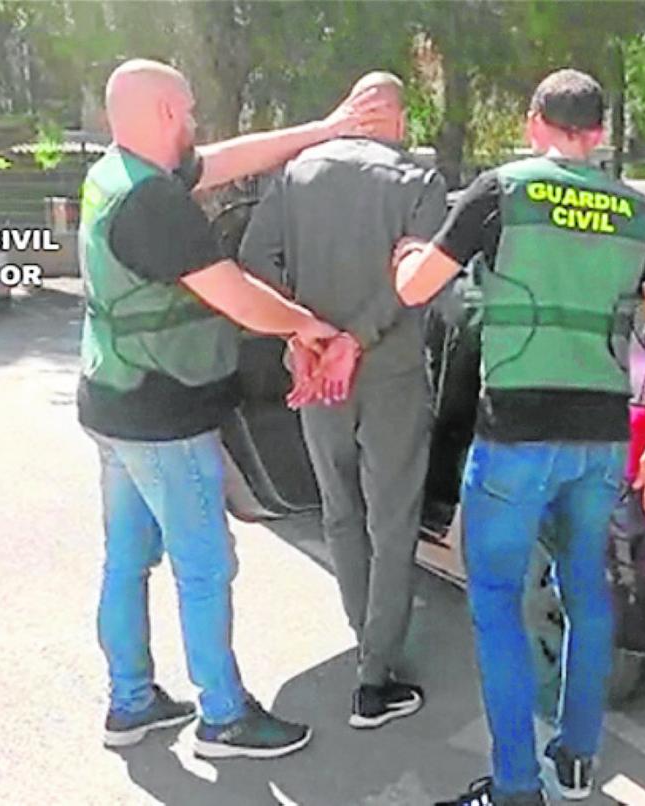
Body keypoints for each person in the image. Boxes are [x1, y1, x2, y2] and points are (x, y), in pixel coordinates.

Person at [391, 69, 645, 805]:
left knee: (496, 598)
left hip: (516, 434)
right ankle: (578, 761)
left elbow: (417, 289)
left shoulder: (502, 191)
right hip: (601, 434)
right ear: (599, 135)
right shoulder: (638, 211)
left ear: (534, 123)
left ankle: (515, 787)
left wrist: (406, 255)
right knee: (586, 590)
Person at [79, 58, 387, 760]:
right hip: (164, 414)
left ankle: (131, 701)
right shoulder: (154, 204)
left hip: (112, 402)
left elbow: (223, 161)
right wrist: (309, 328)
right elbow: (238, 297)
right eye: (187, 111)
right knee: (205, 566)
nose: (195, 123)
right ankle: (222, 715)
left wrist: (325, 128)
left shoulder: (114, 175)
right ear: (165, 113)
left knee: (127, 561)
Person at [239, 71, 448, 730]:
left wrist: (301, 336)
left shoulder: (297, 175)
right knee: (392, 520)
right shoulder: (419, 182)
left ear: (353, 112)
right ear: (398, 119)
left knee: (340, 512)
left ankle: (364, 641)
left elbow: (252, 258)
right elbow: (420, 283)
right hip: (391, 375)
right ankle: (375, 675)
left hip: (313, 373)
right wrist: (356, 339)